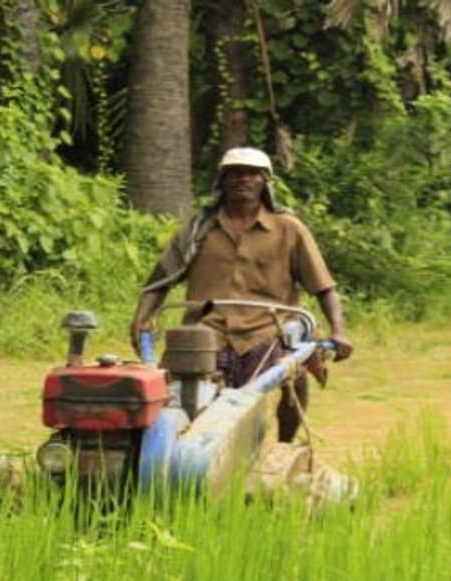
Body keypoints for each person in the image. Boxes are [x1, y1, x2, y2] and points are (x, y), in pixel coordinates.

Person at [129, 146, 353, 442]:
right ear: (222, 181)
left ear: (264, 182)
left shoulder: (289, 229)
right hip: (207, 328)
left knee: (293, 371)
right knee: (174, 390)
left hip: (267, 329)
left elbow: (324, 287)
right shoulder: (198, 229)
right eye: (234, 173)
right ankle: (181, 447)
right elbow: (160, 280)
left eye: (252, 174)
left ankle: (285, 443)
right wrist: (141, 319)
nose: (243, 179)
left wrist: (339, 330)